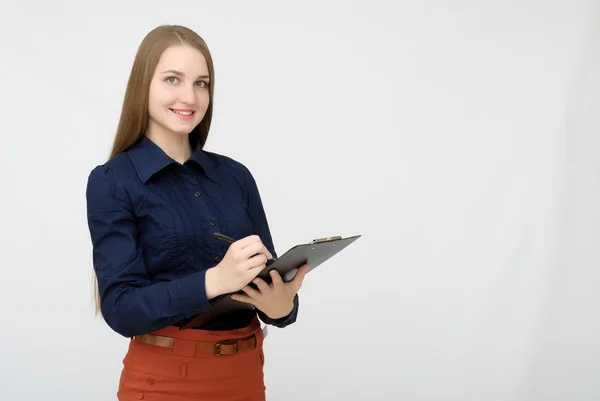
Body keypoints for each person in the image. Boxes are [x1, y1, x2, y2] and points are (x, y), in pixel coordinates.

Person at [85, 24, 310, 401]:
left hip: (245, 377)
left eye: (201, 83)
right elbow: (121, 309)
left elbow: (270, 284)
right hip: (165, 382)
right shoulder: (114, 181)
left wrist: (282, 305)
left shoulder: (235, 177)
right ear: (144, 85)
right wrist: (214, 281)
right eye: (172, 79)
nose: (189, 96)